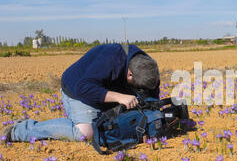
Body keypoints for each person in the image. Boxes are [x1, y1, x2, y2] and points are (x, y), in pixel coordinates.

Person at [4, 43, 160, 142]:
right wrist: (120, 97)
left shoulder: (146, 66)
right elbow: (84, 88)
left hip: (106, 89)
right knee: (86, 132)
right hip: (77, 90)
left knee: (122, 122)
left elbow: (151, 94)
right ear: (129, 74)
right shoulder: (110, 60)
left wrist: (152, 120)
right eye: (136, 86)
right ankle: (20, 129)